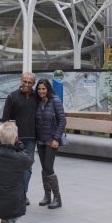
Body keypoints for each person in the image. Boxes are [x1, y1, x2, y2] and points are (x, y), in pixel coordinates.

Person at [1, 72, 38, 204]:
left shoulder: (37, 97)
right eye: (25, 81)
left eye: (30, 82)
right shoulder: (12, 97)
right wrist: (8, 137)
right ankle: (13, 193)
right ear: (21, 80)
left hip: (31, 139)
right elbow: (5, 120)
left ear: (33, 84)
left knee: (28, 167)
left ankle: (23, 194)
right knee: (14, 167)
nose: (27, 84)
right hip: (15, 139)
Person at [34, 78, 66, 209]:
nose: (41, 91)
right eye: (39, 89)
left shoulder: (55, 101)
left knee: (49, 167)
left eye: (43, 89)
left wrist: (56, 139)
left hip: (51, 141)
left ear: (48, 89)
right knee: (44, 169)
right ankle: (47, 196)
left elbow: (62, 121)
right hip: (40, 140)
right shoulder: (37, 102)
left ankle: (57, 198)